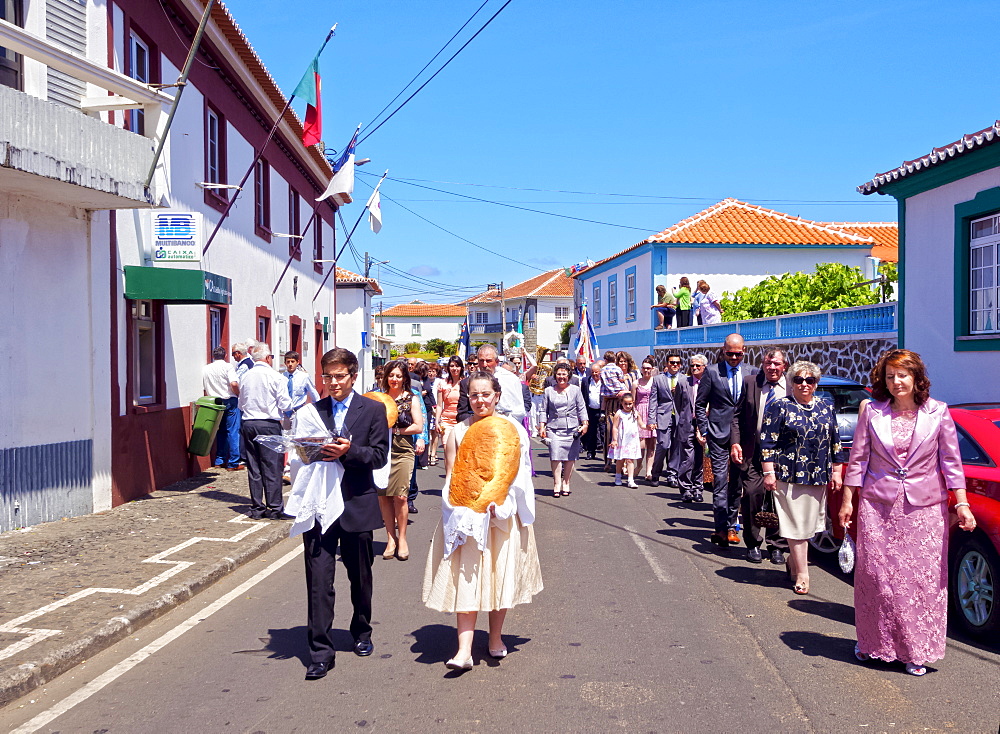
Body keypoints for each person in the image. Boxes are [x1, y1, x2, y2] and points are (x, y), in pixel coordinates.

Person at [839, 349, 975, 677]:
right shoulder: (871, 411)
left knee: (920, 583)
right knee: (877, 579)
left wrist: (962, 503)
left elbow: (951, 464)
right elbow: (857, 460)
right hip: (878, 507)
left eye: (902, 374)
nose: (896, 381)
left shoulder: (938, 412)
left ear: (916, 377)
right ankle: (873, 644)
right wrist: (847, 501)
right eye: (890, 376)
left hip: (925, 513)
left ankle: (916, 650)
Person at [422, 371, 543, 670]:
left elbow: (518, 473)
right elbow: (452, 475)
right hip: (466, 517)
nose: (479, 400)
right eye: (474, 395)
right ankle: (463, 650)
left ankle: (495, 638)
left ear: (497, 396)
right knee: (469, 577)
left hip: (501, 515)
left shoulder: (513, 429)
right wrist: (459, 509)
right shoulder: (458, 432)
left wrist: (501, 504)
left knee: (498, 575)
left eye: (485, 394)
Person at [286, 347, 389, 680]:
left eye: (339, 376)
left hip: (356, 502)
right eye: (327, 377)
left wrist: (348, 452)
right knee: (318, 580)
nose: (332, 383)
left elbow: (378, 456)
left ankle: (361, 630)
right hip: (318, 505)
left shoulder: (372, 409)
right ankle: (320, 651)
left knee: (360, 576)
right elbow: (300, 453)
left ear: (353, 375)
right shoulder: (312, 412)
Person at [761, 361, 846, 595]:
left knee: (809, 527)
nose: (804, 384)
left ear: (817, 383)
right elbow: (767, 442)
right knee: (796, 526)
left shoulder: (826, 408)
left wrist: (837, 471)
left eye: (810, 380)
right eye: (799, 380)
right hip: (788, 474)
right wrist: (769, 473)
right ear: (791, 382)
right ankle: (803, 573)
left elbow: (835, 441)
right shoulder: (779, 406)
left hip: (817, 475)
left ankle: (793, 562)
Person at [696, 334, 758, 547]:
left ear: (744, 351)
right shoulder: (712, 372)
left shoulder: (752, 373)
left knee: (738, 483)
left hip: (742, 437)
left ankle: (733, 525)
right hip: (718, 435)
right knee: (720, 481)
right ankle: (721, 528)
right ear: (723, 350)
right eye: (729, 353)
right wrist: (705, 430)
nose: (734, 357)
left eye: (738, 353)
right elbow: (700, 404)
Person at [730, 349, 790, 565]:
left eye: (776, 364)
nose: (772, 367)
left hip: (782, 456)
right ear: (762, 364)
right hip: (753, 453)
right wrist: (735, 442)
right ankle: (753, 543)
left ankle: (777, 546)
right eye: (768, 363)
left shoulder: (792, 386)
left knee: (778, 500)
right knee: (753, 495)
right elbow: (736, 416)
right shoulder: (751, 382)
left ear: (784, 366)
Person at [238, 344, 292, 519]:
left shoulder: (245, 376)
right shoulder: (275, 376)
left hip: (248, 423)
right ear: (268, 358)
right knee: (272, 466)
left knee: (254, 467)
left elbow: (241, 403)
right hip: (268, 423)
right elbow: (285, 404)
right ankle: (275, 508)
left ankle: (257, 507)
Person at [378, 360, 425, 561]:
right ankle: (390, 538)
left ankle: (403, 538)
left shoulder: (411, 398)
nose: (394, 379)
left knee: (401, 496)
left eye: (398, 376)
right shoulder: (378, 398)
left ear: (404, 378)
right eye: (391, 375)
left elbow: (418, 426)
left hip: (403, 448)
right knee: (384, 495)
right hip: (381, 449)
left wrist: (396, 430)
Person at [538, 363, 588, 497]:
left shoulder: (576, 390)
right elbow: (543, 409)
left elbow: (581, 407)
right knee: (555, 456)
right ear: (555, 376)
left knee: (570, 457)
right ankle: (556, 483)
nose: (561, 377)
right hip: (554, 428)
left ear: (569, 376)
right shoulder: (549, 391)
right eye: (559, 374)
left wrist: (585, 423)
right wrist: (542, 426)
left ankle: (566, 482)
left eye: (564, 374)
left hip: (571, 428)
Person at [647, 353, 691, 490]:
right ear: (667, 364)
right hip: (663, 416)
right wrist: (651, 419)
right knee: (663, 445)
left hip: (679, 417)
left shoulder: (685, 379)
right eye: (672, 362)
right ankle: (656, 473)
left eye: (677, 363)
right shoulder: (658, 379)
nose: (675, 365)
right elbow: (653, 400)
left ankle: (672, 474)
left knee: (677, 448)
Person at [456, 345, 525, 423]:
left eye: (488, 361)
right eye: (481, 361)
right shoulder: (467, 382)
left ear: (497, 362)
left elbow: (519, 411)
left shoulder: (510, 379)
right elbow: (462, 414)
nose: (484, 365)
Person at [202, 346, 241, 470]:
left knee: (220, 431)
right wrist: (238, 394)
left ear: (213, 356)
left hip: (214, 402)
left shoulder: (206, 368)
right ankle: (233, 462)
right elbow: (234, 383)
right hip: (229, 400)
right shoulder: (228, 367)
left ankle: (219, 460)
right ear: (225, 355)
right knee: (233, 431)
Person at [678, 354, 708, 501]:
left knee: (700, 458)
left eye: (698, 366)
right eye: (692, 366)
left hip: (704, 424)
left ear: (704, 367)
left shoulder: (709, 383)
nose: (694, 368)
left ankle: (698, 489)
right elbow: (678, 404)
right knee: (687, 458)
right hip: (687, 424)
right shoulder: (683, 382)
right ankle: (685, 488)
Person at [600, 351, 629, 471]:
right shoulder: (617, 372)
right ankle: (608, 460)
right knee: (610, 431)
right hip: (611, 404)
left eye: (624, 361)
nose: (622, 363)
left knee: (624, 433)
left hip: (624, 404)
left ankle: (623, 462)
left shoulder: (631, 375)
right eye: (620, 361)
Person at [436, 356, 465, 474]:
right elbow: (439, 405)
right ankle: (449, 477)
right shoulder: (443, 384)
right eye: (452, 366)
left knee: (460, 451)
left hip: (461, 421)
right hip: (446, 420)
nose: (455, 368)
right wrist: (437, 421)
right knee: (448, 450)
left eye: (457, 366)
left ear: (461, 368)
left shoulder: (466, 383)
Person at [610, 393, 642, 488]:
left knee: (630, 459)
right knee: (620, 459)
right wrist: (615, 440)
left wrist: (649, 427)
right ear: (622, 403)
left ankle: (630, 480)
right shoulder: (619, 414)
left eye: (630, 404)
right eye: (625, 404)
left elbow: (641, 424)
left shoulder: (635, 413)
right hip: (621, 439)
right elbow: (615, 427)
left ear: (633, 403)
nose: (628, 406)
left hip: (632, 440)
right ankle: (618, 477)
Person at [633, 359, 656, 482]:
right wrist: (634, 414)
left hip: (652, 412)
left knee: (652, 444)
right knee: (641, 444)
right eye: (644, 368)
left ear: (652, 369)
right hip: (640, 412)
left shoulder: (655, 382)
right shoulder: (636, 383)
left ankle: (649, 471)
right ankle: (639, 465)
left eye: (648, 368)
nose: (646, 370)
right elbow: (632, 401)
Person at [581, 362, 604, 461]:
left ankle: (607, 453)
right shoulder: (586, 381)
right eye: (593, 372)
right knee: (591, 432)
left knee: (603, 432)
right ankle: (591, 452)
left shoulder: (604, 381)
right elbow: (583, 395)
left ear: (600, 372)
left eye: (597, 372)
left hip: (601, 410)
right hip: (590, 410)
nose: (595, 374)